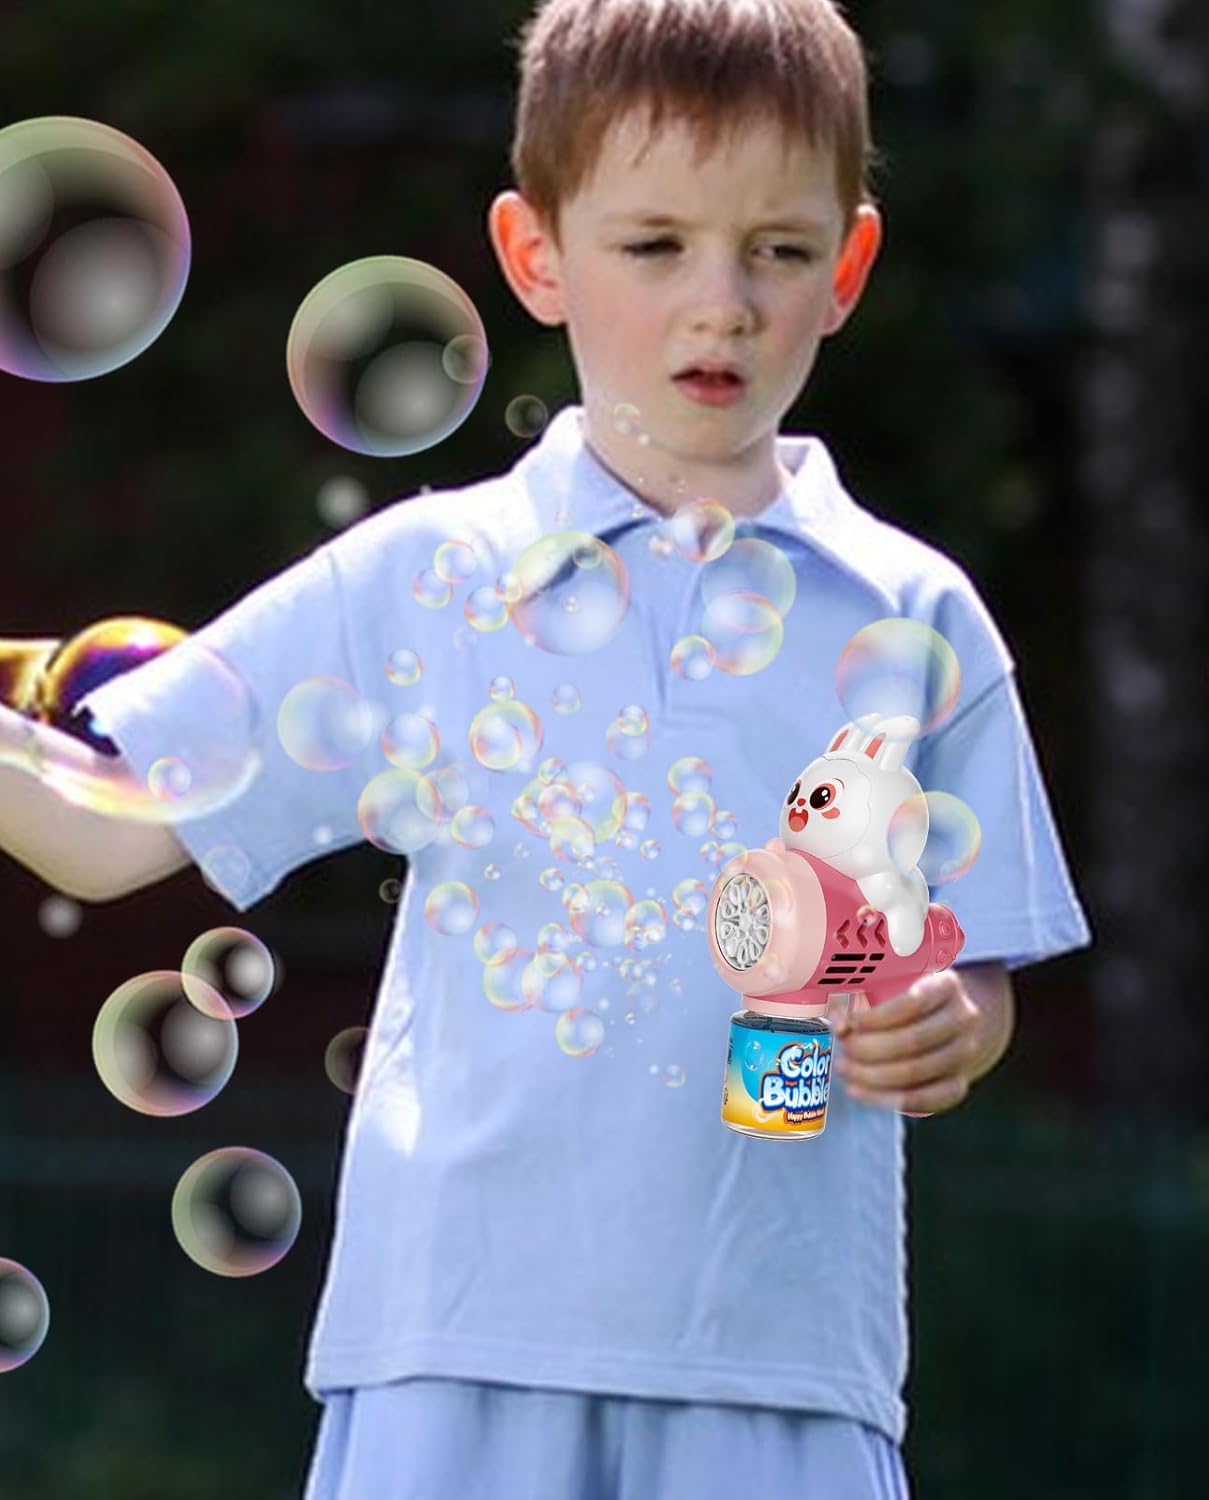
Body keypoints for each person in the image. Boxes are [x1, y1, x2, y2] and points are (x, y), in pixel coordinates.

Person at [1, 0, 1091, 1494]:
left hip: (777, 1369)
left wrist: (953, 1023)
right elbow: (109, 825)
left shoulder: (914, 615)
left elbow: (978, 971)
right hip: (453, 1351)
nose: (722, 303)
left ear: (847, 269)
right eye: (655, 245)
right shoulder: (427, 580)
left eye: (778, 250)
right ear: (536, 256)